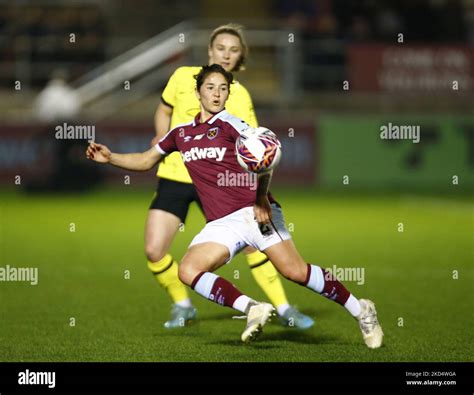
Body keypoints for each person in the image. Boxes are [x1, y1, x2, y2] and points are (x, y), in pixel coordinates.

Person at [86, 64, 384, 347]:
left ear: (229, 93)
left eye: (223, 88)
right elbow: (146, 159)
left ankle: (362, 310)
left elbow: (268, 154)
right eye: (210, 87)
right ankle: (252, 307)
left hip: (254, 211)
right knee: (188, 270)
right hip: (221, 223)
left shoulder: (230, 124)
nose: (217, 94)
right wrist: (110, 158)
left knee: (295, 272)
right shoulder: (181, 134)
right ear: (198, 92)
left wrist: (261, 198)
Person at [146, 23, 313, 329]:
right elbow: (163, 110)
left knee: (253, 243)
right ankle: (182, 305)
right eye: (221, 48)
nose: (226, 54)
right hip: (176, 176)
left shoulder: (240, 95)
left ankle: (284, 308)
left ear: (240, 58)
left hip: (223, 182)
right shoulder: (183, 76)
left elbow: (255, 147)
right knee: (154, 249)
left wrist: (257, 189)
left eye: (234, 50)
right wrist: (161, 138)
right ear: (209, 51)